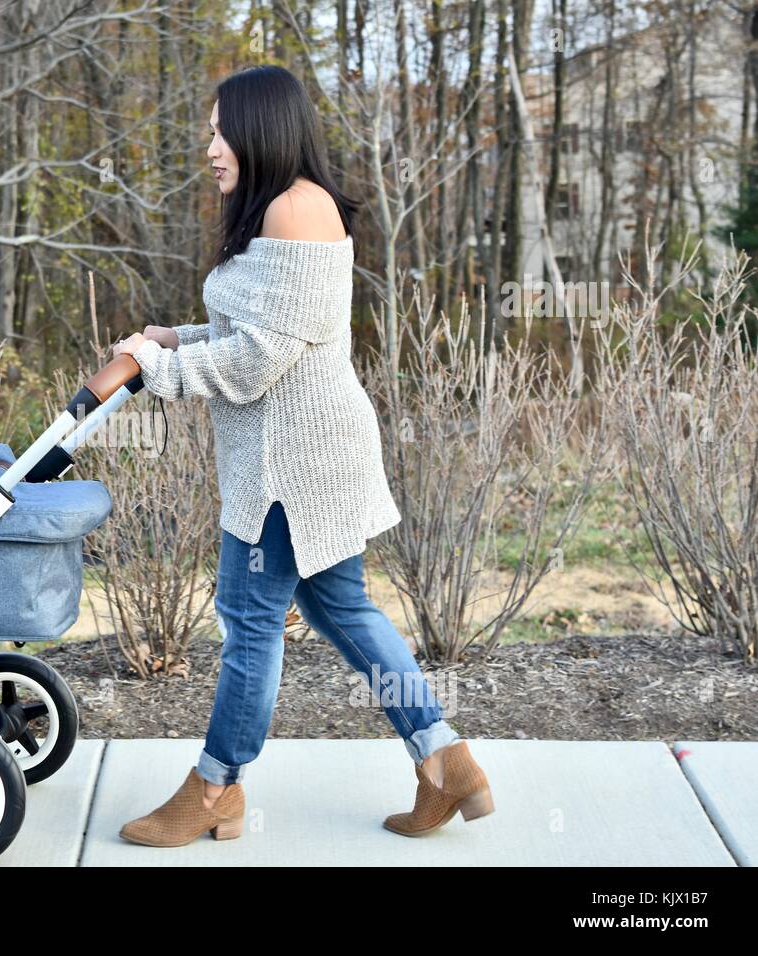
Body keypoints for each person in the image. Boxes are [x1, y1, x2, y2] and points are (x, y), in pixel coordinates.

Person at [109, 64, 494, 848]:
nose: (210, 147)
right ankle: (445, 761)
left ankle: (216, 787)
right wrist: (174, 339)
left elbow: (257, 361)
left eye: (221, 130)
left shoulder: (294, 210)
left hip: (290, 472)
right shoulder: (289, 207)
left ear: (260, 128)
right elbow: (262, 330)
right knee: (338, 607)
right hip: (311, 458)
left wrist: (159, 373)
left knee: (250, 621)